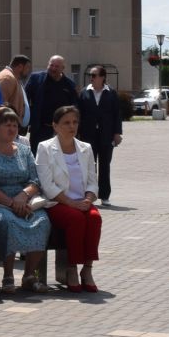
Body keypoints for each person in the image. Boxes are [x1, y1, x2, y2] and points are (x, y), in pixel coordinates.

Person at [0, 106, 51, 292]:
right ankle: (8, 275)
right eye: (7, 125)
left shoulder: (25, 151)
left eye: (15, 126)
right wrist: (11, 203)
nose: (12, 129)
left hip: (24, 200)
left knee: (42, 221)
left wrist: (23, 196)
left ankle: (29, 275)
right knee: (6, 221)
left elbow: (35, 180)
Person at [37, 104, 102, 292]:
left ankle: (87, 270)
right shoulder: (45, 148)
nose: (71, 126)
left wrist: (88, 200)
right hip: (58, 202)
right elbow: (47, 185)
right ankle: (71, 269)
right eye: (66, 123)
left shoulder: (86, 148)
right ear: (55, 126)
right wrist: (72, 203)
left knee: (94, 218)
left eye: (75, 122)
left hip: (82, 202)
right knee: (76, 219)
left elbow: (92, 181)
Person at [77, 65, 125, 203]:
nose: (91, 78)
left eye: (94, 75)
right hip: (88, 135)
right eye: (90, 76)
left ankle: (104, 196)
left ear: (102, 77)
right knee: (89, 166)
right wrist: (78, 133)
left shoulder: (111, 93)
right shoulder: (84, 92)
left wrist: (117, 133)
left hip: (106, 135)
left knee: (105, 165)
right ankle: (89, 195)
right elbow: (79, 113)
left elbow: (117, 114)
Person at [0, 55, 32, 136]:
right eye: (27, 67)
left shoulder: (14, 77)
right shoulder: (7, 78)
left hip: (14, 126)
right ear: (20, 66)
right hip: (8, 128)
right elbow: (1, 105)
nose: (29, 71)